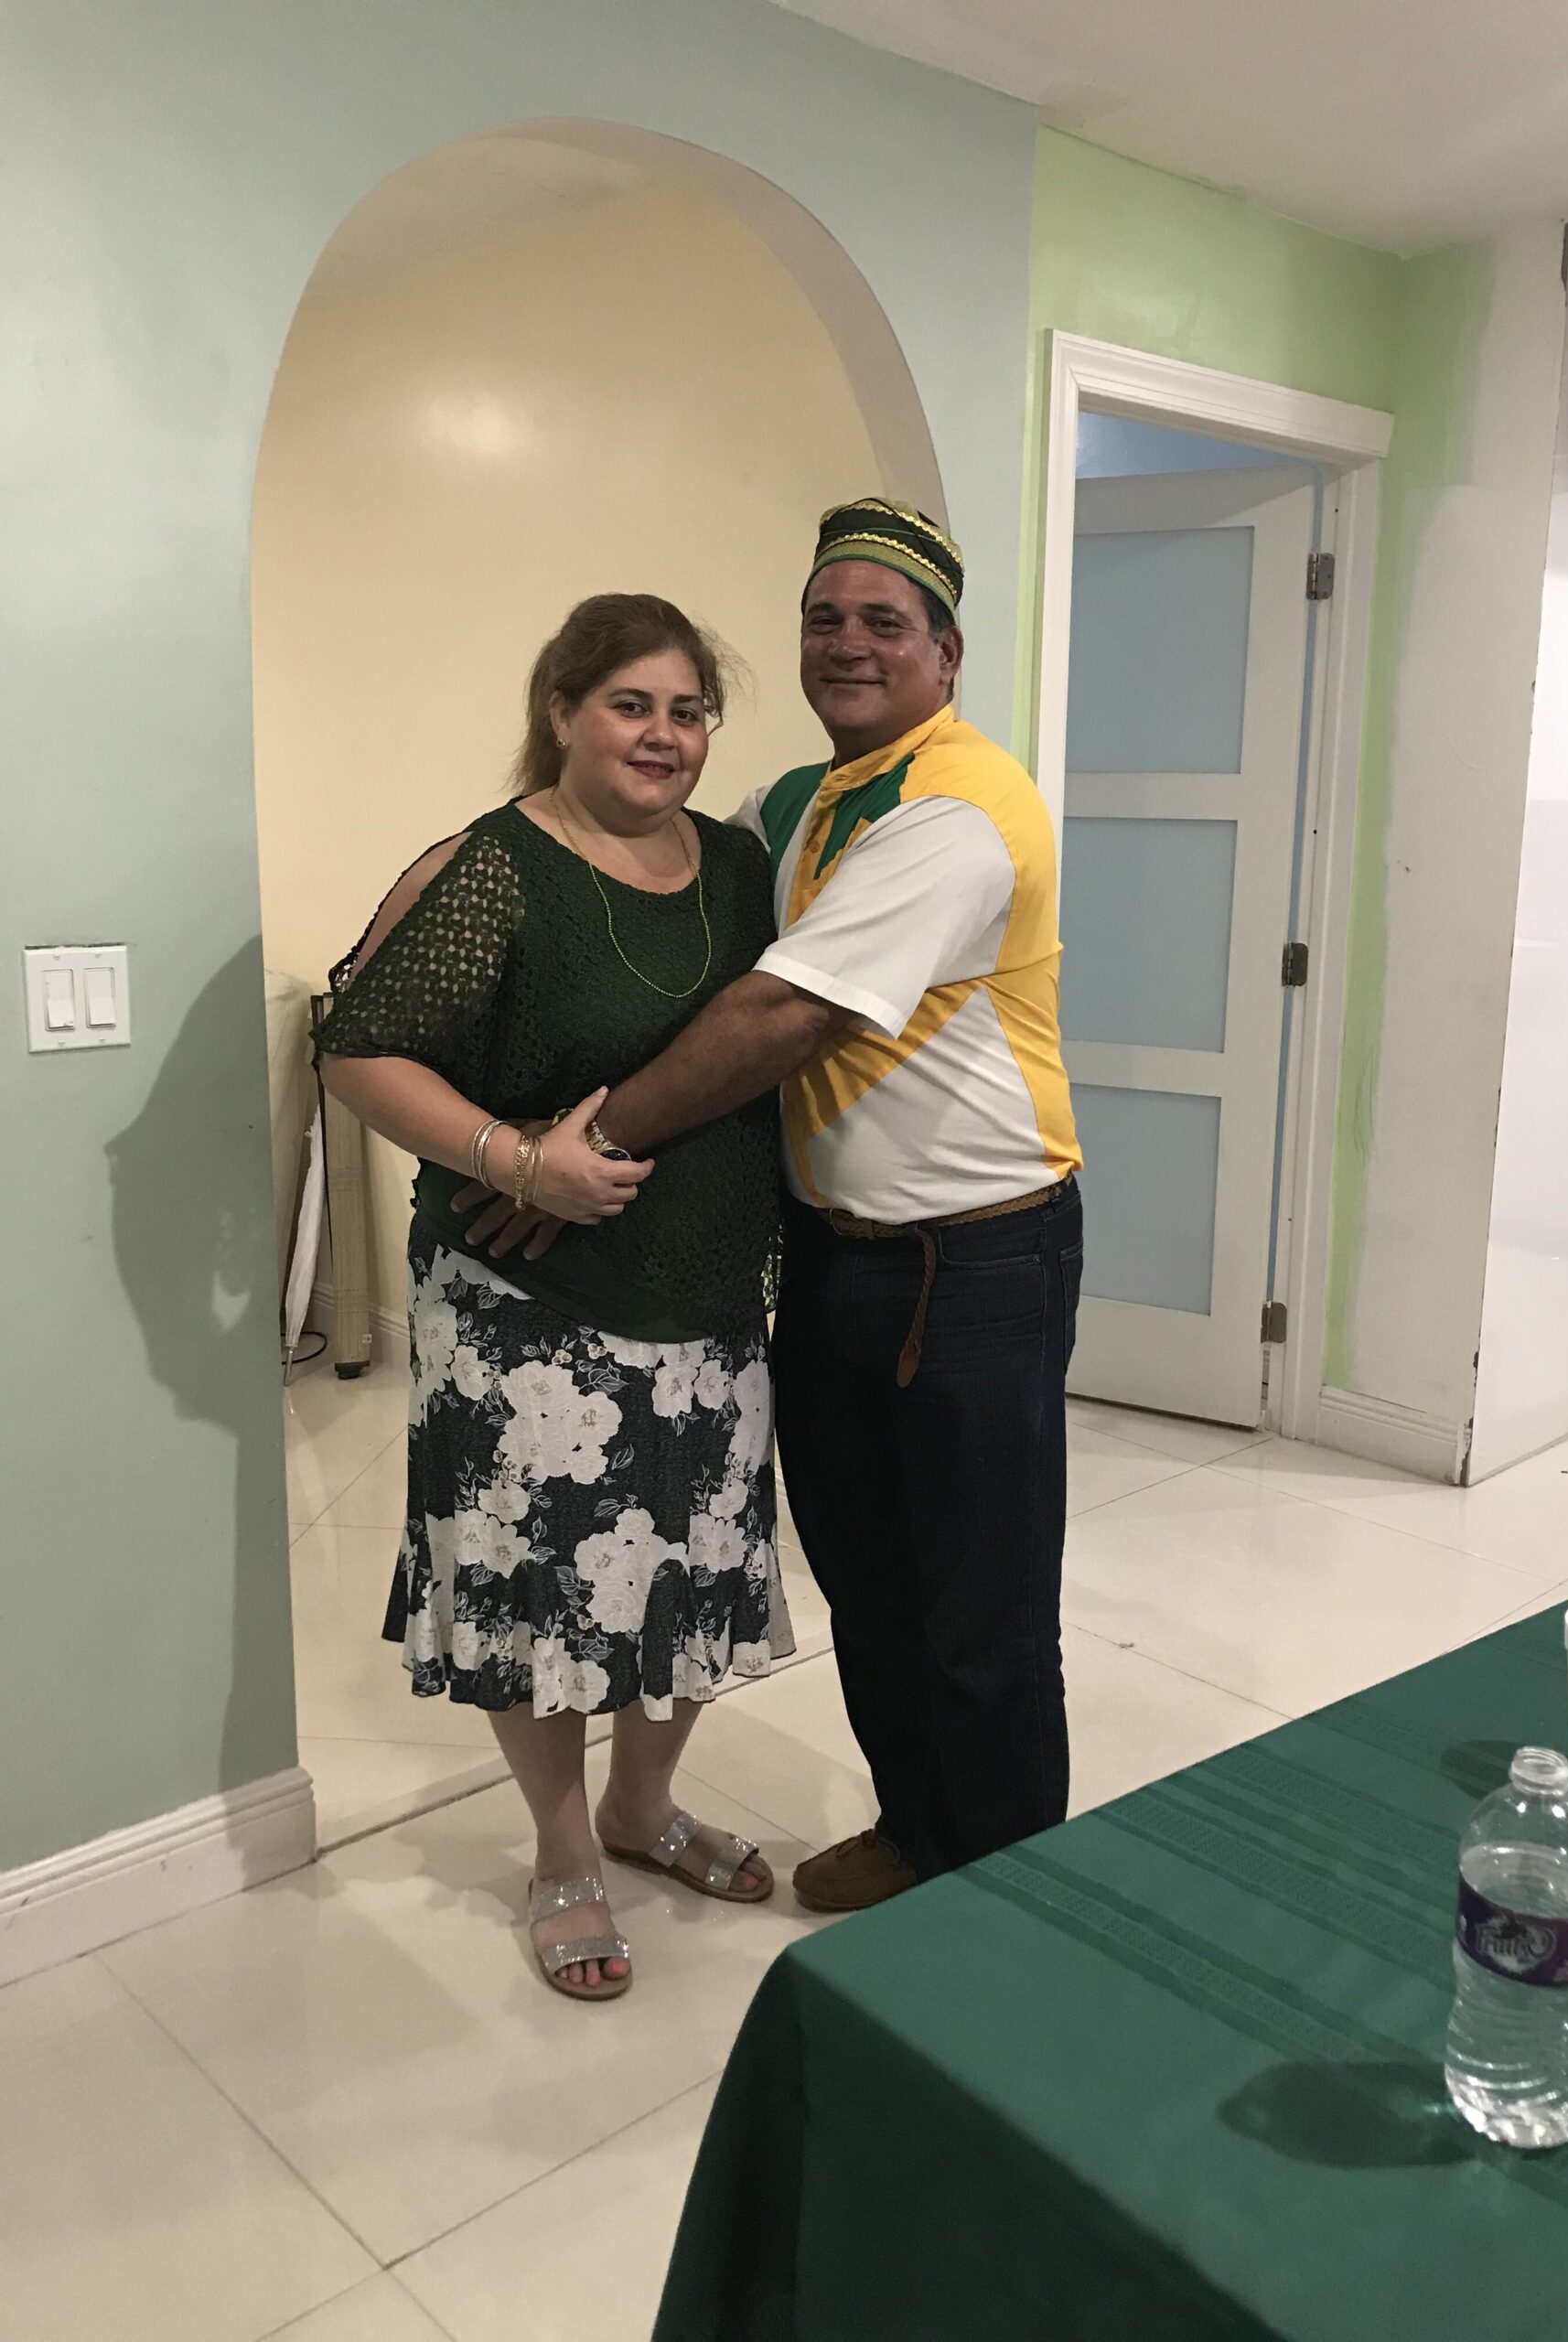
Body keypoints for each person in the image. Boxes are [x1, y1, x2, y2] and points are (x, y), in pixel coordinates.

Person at [464, 501, 1082, 1911]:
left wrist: (577, 1149)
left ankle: (1004, 1905)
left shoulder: (962, 809)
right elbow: (660, 920)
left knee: (983, 1611)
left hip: (979, 1262)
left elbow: (779, 1015)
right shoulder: (792, 808)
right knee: (870, 1581)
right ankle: (920, 1831)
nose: (848, 643)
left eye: (885, 621)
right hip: (832, 1259)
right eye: (824, 618)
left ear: (946, 652)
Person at [314, 594, 790, 2003]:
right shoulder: (496, 868)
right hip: (526, 1298)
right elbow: (360, 1049)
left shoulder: (741, 867)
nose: (663, 736)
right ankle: (565, 1848)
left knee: (692, 1569)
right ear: (564, 711)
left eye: (689, 711)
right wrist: (517, 1159)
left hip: (708, 1288)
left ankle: (645, 1807)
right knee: (546, 1587)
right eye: (631, 705)